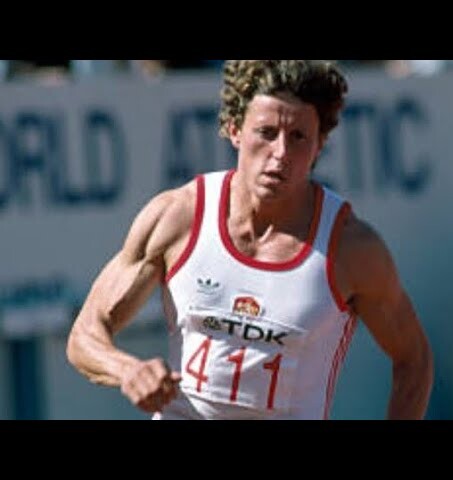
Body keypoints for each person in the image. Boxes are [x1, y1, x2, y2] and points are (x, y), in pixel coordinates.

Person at [66, 60, 433, 420]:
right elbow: (85, 333)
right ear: (234, 129)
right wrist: (128, 371)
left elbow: (414, 360)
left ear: (319, 145)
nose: (280, 154)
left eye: (298, 137)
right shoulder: (179, 217)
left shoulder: (351, 248)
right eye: (267, 133)